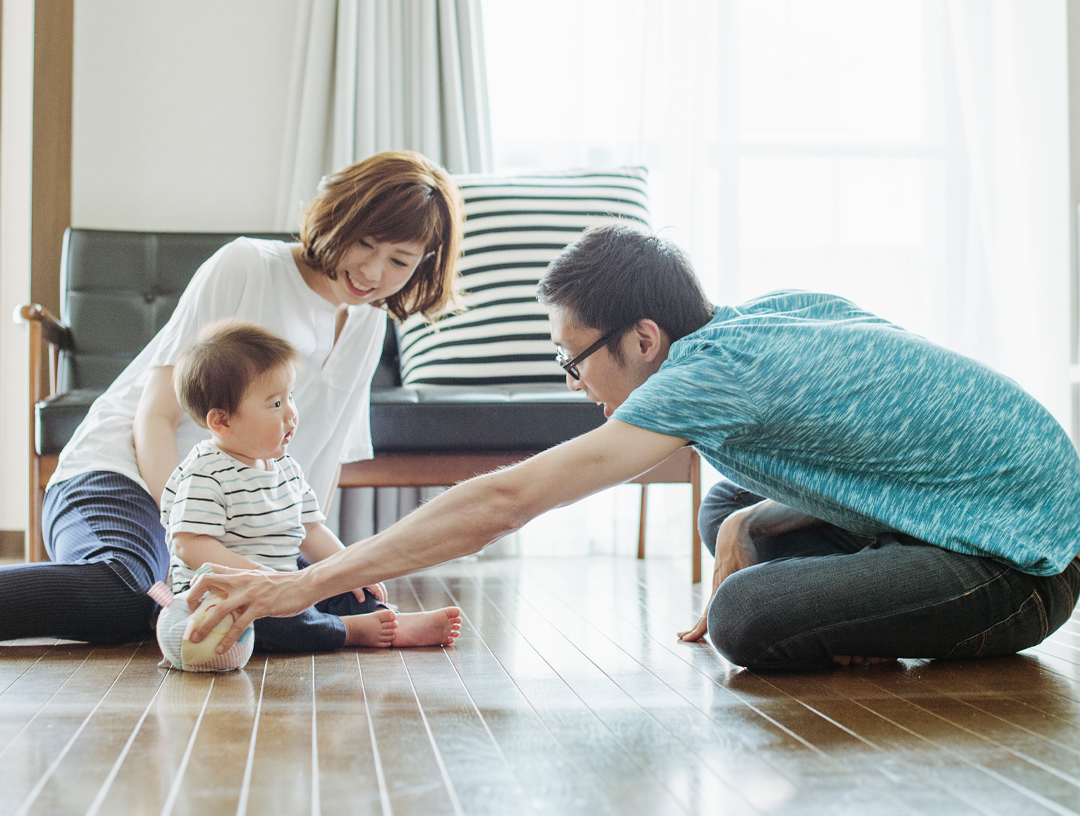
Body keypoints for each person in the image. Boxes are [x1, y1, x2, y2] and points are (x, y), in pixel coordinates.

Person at [186, 224, 1080, 672]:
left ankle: (865, 605)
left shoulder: (700, 380)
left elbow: (507, 501)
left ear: (644, 339)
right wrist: (750, 531)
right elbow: (875, 444)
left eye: (575, 361)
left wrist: (301, 584)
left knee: (745, 621)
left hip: (1023, 564)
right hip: (970, 505)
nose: (577, 384)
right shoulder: (759, 319)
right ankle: (852, 586)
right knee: (730, 506)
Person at [0, 150, 462, 645]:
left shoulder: (369, 322)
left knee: (352, 598)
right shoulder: (247, 265)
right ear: (337, 217)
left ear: (424, 265)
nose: (372, 272)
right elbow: (155, 415)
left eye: (399, 260)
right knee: (127, 591)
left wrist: (328, 569)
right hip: (124, 474)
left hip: (231, 515)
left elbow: (320, 461)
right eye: (365, 243)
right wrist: (194, 537)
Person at [161, 321, 460, 651]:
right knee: (275, 623)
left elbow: (312, 532)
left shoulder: (286, 468)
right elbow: (190, 544)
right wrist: (259, 575)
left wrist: (351, 569)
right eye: (275, 404)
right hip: (226, 596)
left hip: (285, 581)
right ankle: (348, 630)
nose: (291, 413)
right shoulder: (205, 472)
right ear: (222, 421)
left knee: (341, 582)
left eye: (290, 397)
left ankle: (386, 617)